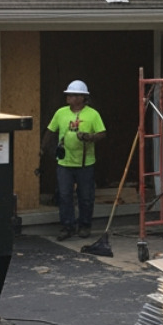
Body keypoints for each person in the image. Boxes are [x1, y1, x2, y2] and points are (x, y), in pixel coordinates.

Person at [40, 80, 107, 240]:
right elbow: (50, 130)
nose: (68, 97)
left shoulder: (93, 114)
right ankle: (67, 226)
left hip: (85, 163)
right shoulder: (61, 112)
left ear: (82, 97)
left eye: (72, 95)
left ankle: (84, 226)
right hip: (64, 162)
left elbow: (102, 133)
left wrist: (90, 137)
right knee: (64, 196)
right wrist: (42, 148)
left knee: (85, 196)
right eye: (68, 94)